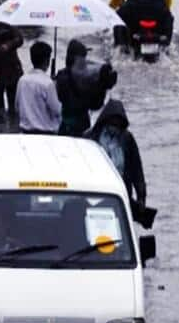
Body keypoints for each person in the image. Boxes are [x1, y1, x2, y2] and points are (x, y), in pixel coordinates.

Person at [87, 98, 152, 226]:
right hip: (95, 193)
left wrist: (141, 197)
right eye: (112, 123)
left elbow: (136, 170)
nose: (115, 127)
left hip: (121, 194)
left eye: (118, 125)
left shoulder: (127, 139)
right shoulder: (90, 137)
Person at [55, 40, 116, 136]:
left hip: (67, 124)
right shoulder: (72, 78)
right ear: (77, 58)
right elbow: (95, 104)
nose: (85, 61)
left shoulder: (62, 76)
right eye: (83, 57)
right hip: (79, 125)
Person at [13, 41, 61, 133]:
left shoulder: (22, 80)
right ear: (47, 61)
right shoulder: (48, 83)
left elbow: (17, 107)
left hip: (25, 132)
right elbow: (57, 111)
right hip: (46, 135)